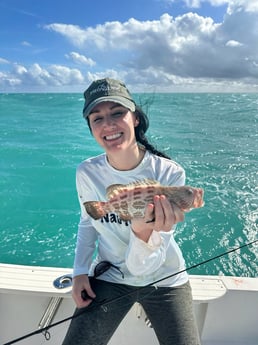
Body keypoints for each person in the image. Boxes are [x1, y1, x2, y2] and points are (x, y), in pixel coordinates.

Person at [62, 78, 201, 345]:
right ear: (91, 128)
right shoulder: (87, 172)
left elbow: (144, 266)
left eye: (118, 113)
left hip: (165, 277)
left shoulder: (169, 173)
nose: (109, 124)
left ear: (135, 118)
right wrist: (80, 271)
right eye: (97, 118)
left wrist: (142, 231)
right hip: (112, 275)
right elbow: (89, 222)